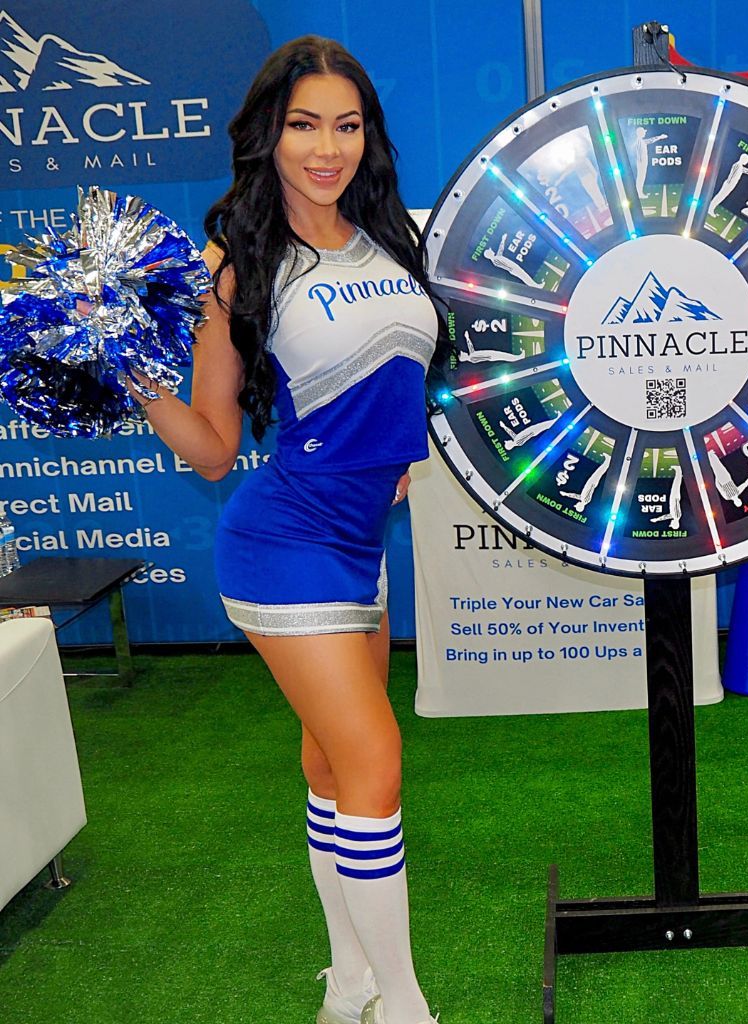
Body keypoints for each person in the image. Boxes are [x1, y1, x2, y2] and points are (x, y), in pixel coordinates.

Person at [126, 37, 443, 1024]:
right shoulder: (234, 265)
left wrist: (398, 461)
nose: (326, 148)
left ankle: (349, 975)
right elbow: (216, 447)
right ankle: (405, 1004)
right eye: (305, 125)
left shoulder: (391, 239)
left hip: (359, 543)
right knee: (375, 764)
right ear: (270, 131)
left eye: (345, 126)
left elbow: (402, 382)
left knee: (328, 761)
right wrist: (135, 374)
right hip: (281, 543)